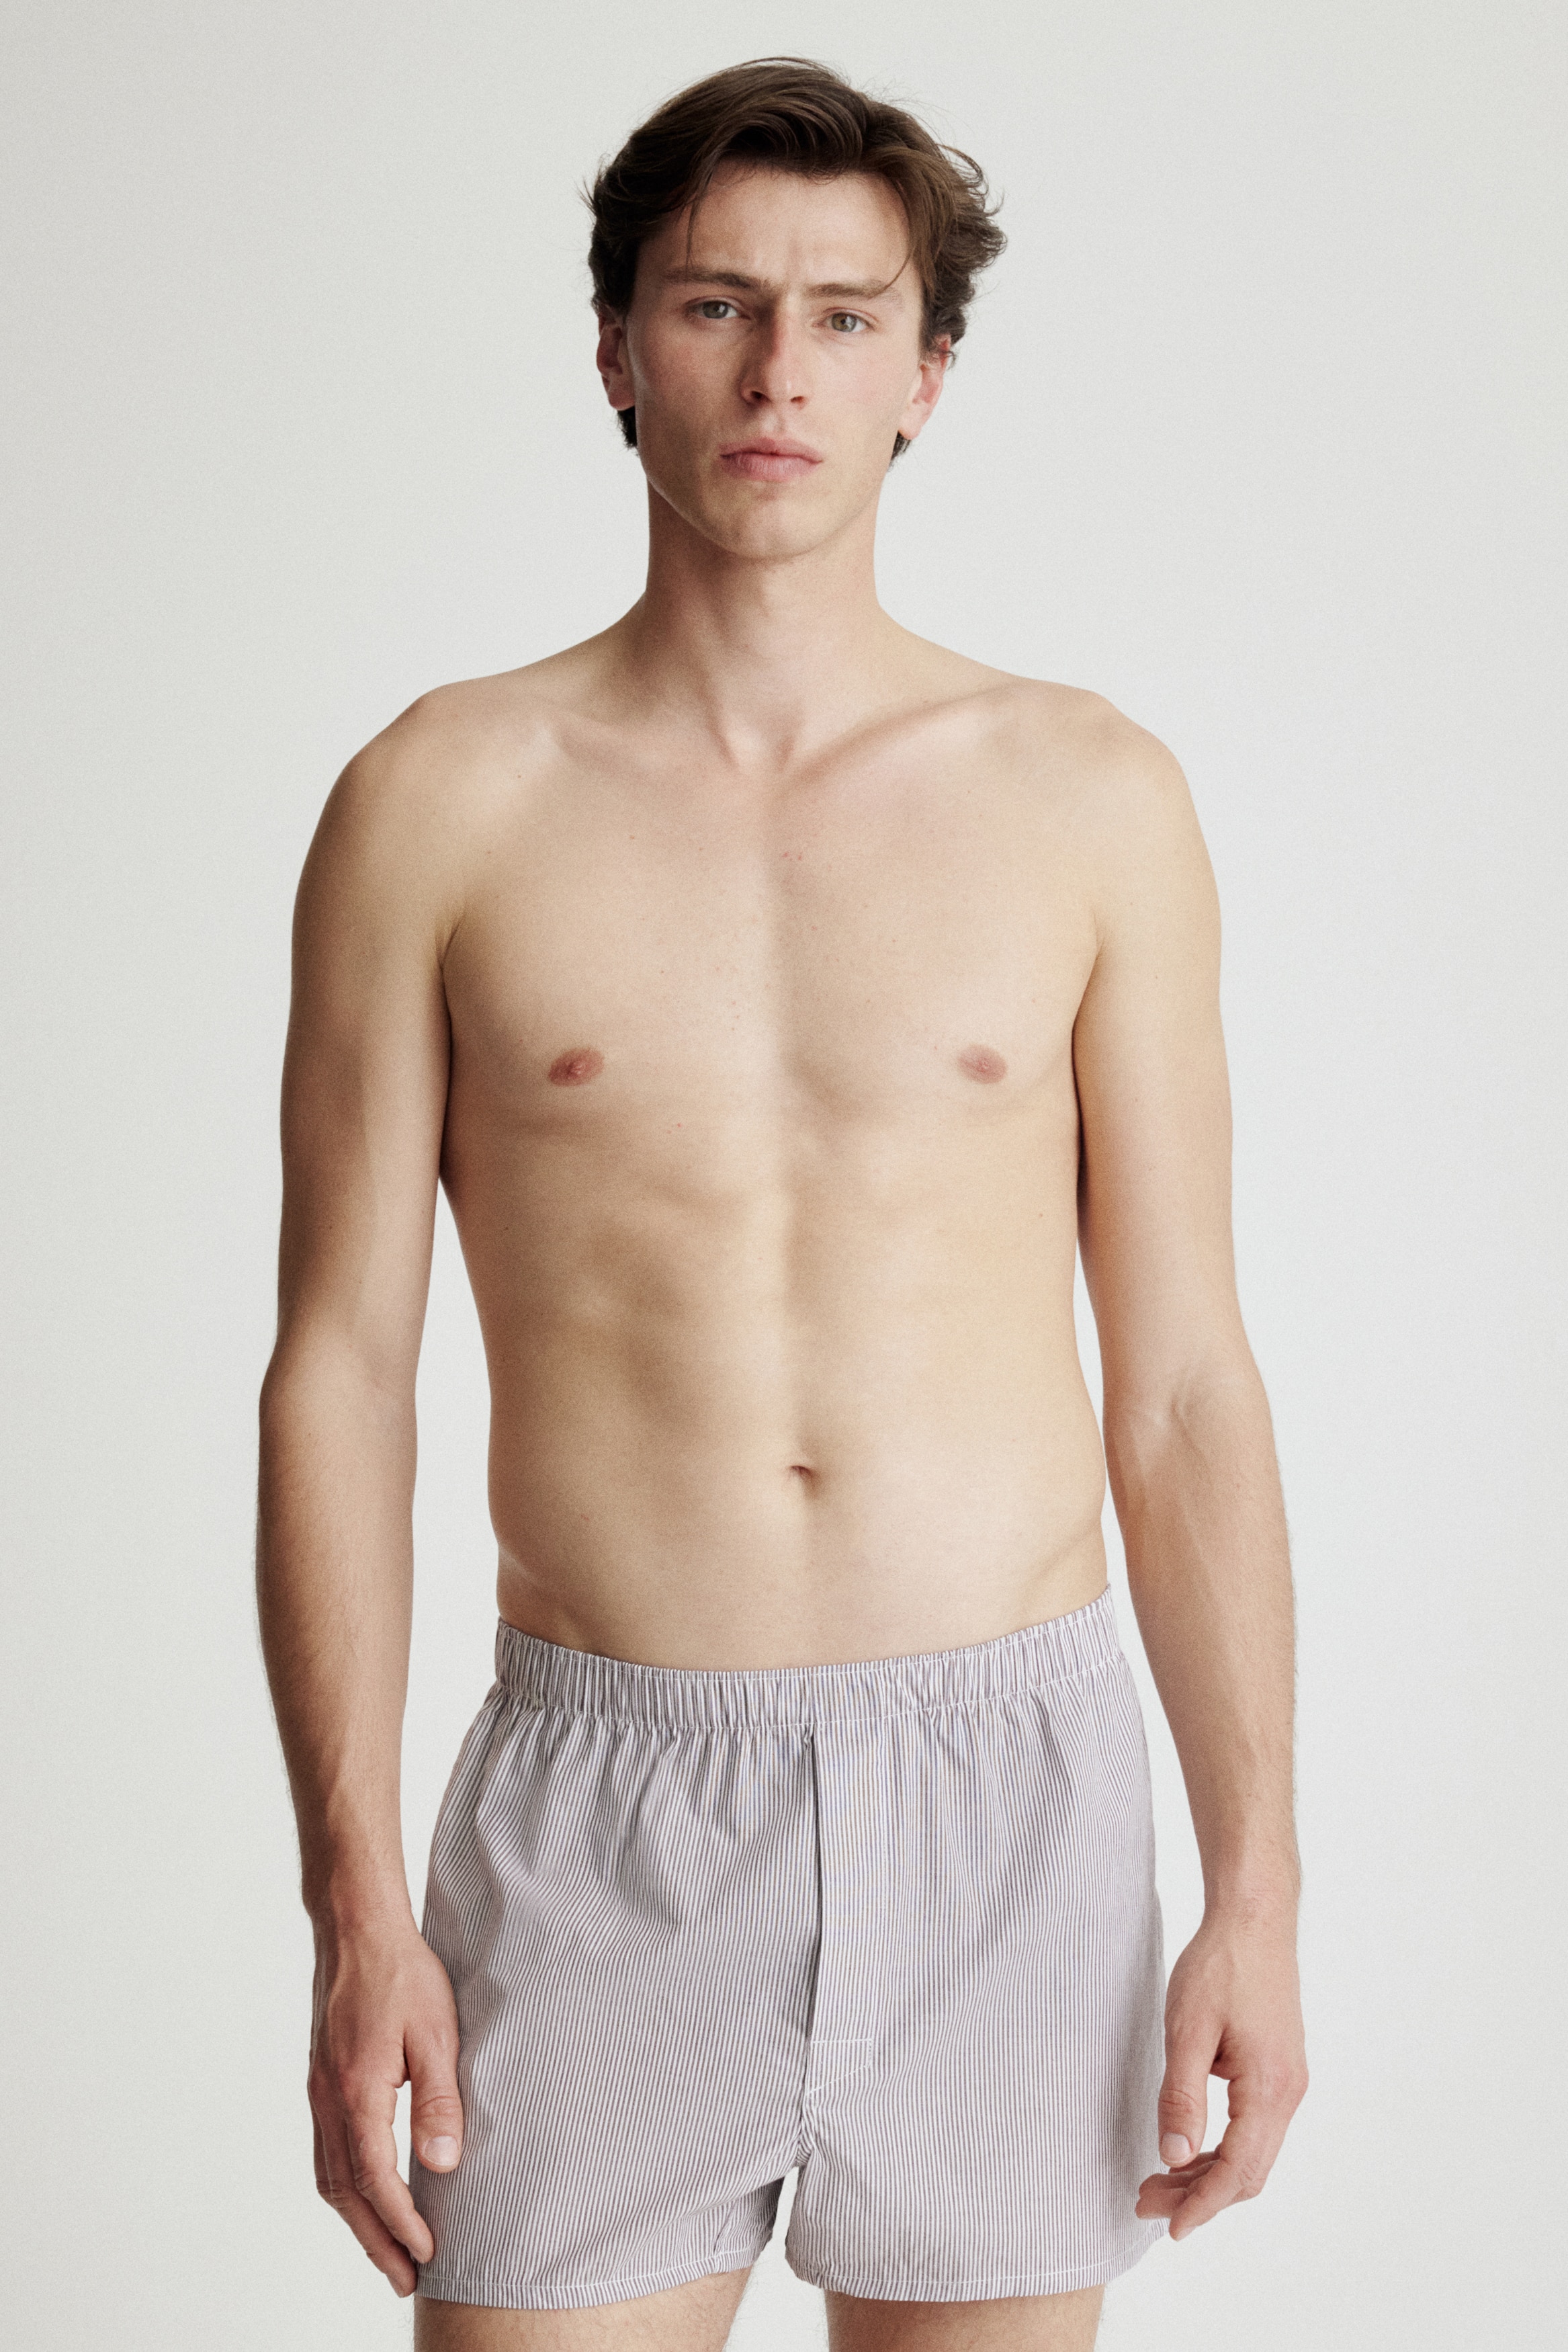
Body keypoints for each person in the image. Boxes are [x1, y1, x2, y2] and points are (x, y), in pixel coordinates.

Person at [256, 54, 1307, 2352]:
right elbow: (338, 1366)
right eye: (718, 304)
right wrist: (352, 1900)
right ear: (617, 348)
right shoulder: (438, 800)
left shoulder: (1089, 797)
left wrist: (1258, 1880)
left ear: (929, 373)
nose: (778, 373)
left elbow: (1185, 1381)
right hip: (604, 1805)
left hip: (1012, 1799)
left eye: (846, 316)